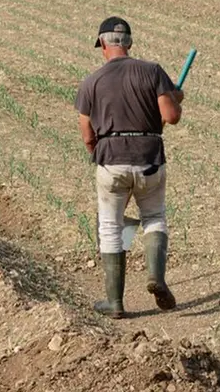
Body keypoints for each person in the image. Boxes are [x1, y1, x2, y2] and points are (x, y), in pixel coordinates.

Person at [75, 16, 185, 319]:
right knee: (154, 217)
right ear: (130, 43)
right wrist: (177, 99)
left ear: (102, 46)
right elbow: (171, 117)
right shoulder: (152, 71)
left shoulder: (91, 81)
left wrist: (95, 152)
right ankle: (156, 277)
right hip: (149, 158)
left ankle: (115, 303)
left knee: (111, 227)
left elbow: (86, 131)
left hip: (110, 159)